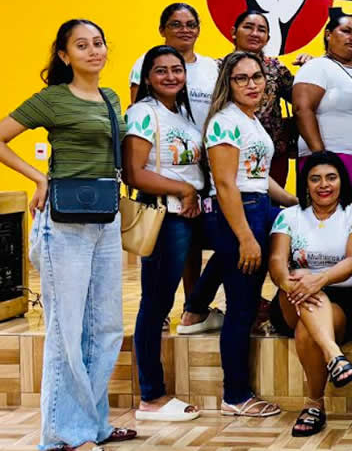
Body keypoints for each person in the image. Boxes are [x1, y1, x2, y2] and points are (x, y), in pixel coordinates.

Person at [0, 20, 136, 450]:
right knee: (67, 328)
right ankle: (64, 433)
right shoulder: (52, 98)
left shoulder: (110, 98)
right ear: (65, 56)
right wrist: (38, 177)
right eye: (82, 45)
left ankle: (94, 425)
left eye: (98, 43)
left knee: (105, 327)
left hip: (105, 219)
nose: (93, 51)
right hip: (64, 224)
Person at [201, 51, 297, 417]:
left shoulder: (250, 119)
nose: (252, 84)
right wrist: (244, 237)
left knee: (247, 299)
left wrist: (291, 201)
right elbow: (226, 184)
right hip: (238, 212)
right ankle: (235, 396)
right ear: (228, 83)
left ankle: (195, 307)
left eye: (257, 77)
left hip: (259, 206)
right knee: (241, 308)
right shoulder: (224, 122)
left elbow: (257, 175)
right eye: (241, 78)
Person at [268, 151, 352, 437]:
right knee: (299, 279)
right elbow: (277, 261)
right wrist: (289, 283)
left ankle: (314, 404)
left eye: (331, 178)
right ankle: (334, 354)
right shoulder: (289, 216)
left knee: (307, 330)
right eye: (315, 179)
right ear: (305, 183)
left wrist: (319, 279)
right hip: (292, 296)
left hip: (345, 301)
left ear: (342, 181)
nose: (323, 185)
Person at [124, 45, 203, 422]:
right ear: (147, 77)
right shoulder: (143, 113)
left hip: (187, 214)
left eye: (177, 70)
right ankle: (151, 396)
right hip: (164, 216)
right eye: (161, 71)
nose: (171, 76)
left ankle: (198, 310)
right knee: (155, 305)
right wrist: (182, 189)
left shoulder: (181, 113)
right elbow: (134, 172)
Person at [128, 3, 218, 310]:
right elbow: (142, 118)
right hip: (163, 174)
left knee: (191, 245)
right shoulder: (146, 69)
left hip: (199, 164)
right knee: (159, 254)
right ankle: (156, 312)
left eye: (191, 24)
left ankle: (193, 308)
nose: (185, 30)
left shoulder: (211, 67)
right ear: (162, 29)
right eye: (176, 24)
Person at [293, 14, 352, 196]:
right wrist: (321, 158)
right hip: (326, 158)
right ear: (328, 34)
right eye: (346, 31)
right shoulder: (316, 66)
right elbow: (302, 110)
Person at [231, 9, 297, 187]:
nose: (255, 33)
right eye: (248, 27)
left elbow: (302, 100)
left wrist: (312, 70)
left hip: (273, 154)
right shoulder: (219, 69)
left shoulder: (276, 68)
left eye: (261, 30)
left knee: (274, 202)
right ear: (234, 32)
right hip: (232, 151)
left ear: (267, 38)